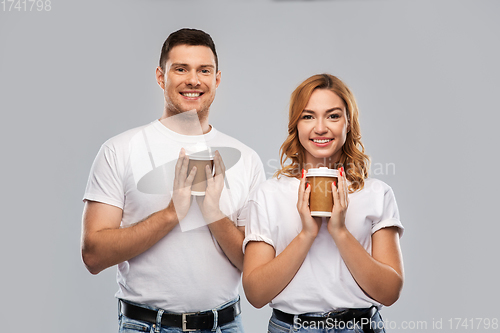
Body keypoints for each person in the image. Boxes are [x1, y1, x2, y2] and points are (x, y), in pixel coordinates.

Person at [81, 28, 265, 333]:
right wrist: (172, 213)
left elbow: (253, 265)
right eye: (181, 69)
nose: (193, 80)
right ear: (160, 76)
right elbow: (93, 255)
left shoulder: (247, 159)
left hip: (225, 326)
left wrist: (212, 212)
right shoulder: (120, 150)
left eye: (203, 70)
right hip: (145, 325)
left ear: (217, 79)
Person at [242, 74, 404, 333]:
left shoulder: (376, 193)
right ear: (295, 125)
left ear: (348, 123)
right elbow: (256, 294)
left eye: (333, 116)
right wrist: (307, 233)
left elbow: (389, 292)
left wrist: (339, 231)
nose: (320, 128)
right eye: (308, 116)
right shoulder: (269, 194)